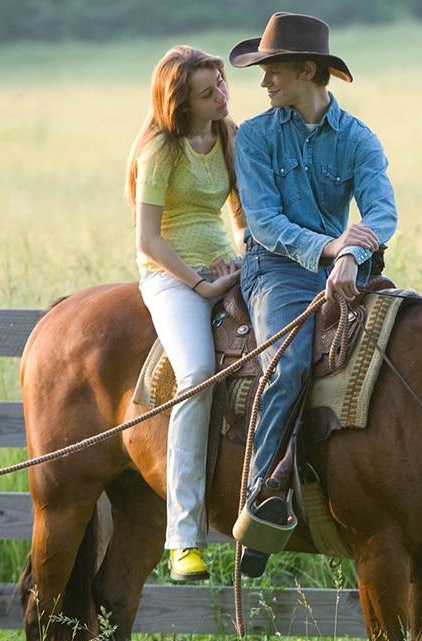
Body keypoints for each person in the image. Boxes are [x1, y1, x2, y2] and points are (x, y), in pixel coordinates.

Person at [228, 13, 398, 576]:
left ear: (307, 70)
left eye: (272, 69)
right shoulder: (253, 137)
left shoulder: (358, 139)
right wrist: (334, 250)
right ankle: (257, 502)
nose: (263, 81)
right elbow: (267, 224)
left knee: (403, 350)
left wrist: (354, 253)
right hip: (274, 271)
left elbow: (380, 210)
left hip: (341, 266)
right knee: (290, 363)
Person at [126, 45, 247, 581]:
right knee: (196, 372)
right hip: (172, 277)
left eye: (221, 83)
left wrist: (244, 264)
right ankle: (184, 538)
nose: (222, 94)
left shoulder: (228, 135)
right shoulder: (159, 150)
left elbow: (243, 214)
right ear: (181, 103)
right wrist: (200, 283)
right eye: (208, 91)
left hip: (225, 267)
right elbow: (148, 240)